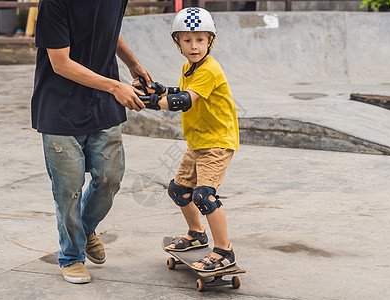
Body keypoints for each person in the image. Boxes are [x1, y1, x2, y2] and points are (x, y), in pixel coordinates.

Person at [31, 0, 153, 284]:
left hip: (101, 102)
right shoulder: (55, 2)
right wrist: (115, 85)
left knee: (111, 177)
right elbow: (60, 64)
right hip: (60, 106)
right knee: (68, 190)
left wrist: (133, 64)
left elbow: (110, 28)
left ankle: (85, 229)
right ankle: (71, 256)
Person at [140, 7, 240, 271]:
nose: (194, 46)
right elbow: (181, 90)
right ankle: (197, 234)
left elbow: (183, 100)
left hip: (217, 143)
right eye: (187, 40)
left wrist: (148, 102)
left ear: (210, 41)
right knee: (179, 190)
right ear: (177, 43)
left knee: (204, 195)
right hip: (198, 143)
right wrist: (160, 89)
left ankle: (224, 251)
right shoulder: (189, 67)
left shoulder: (209, 69)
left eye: (200, 40)